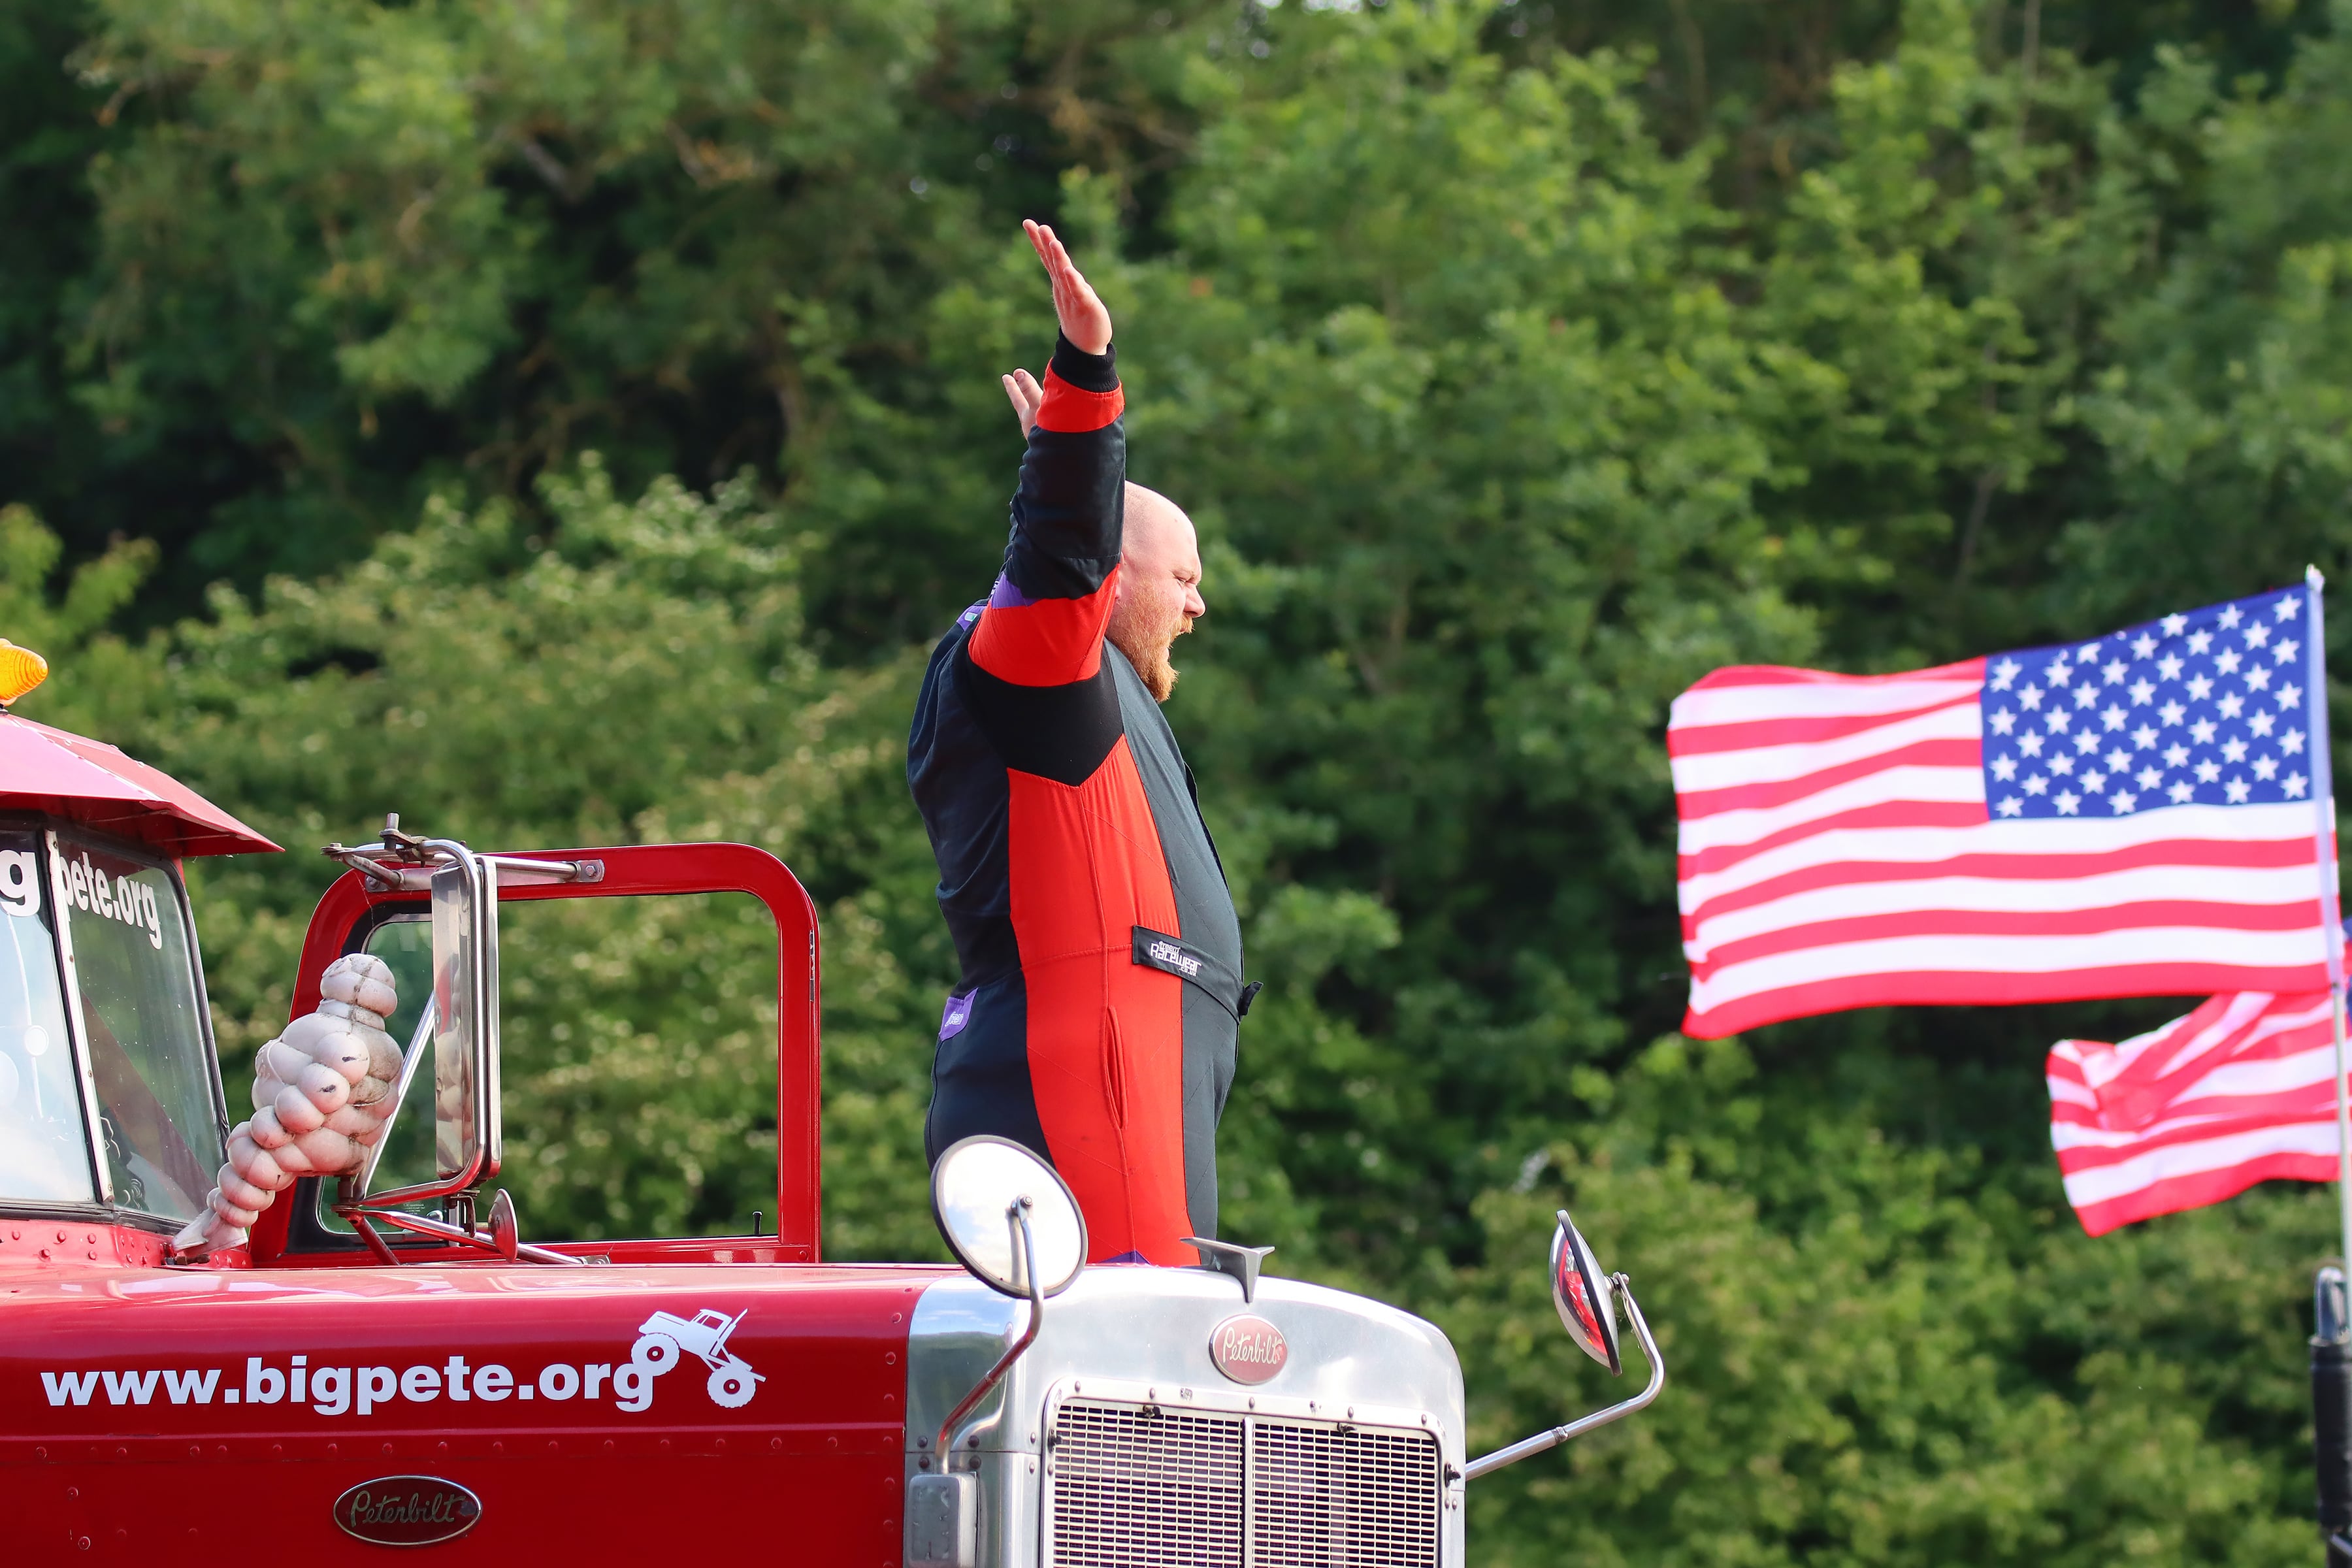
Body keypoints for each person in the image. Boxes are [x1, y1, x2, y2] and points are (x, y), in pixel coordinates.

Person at [907, 221, 1255, 1266]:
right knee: (1133, 1350)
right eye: (1184, 577)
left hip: (1124, 1084)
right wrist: (1085, 381)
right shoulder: (1049, 677)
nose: (1199, 605)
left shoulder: (1081, 689)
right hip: (1094, 1094)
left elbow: (1065, 548)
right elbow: (1060, 557)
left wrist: (1071, 478)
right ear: (1116, 570)